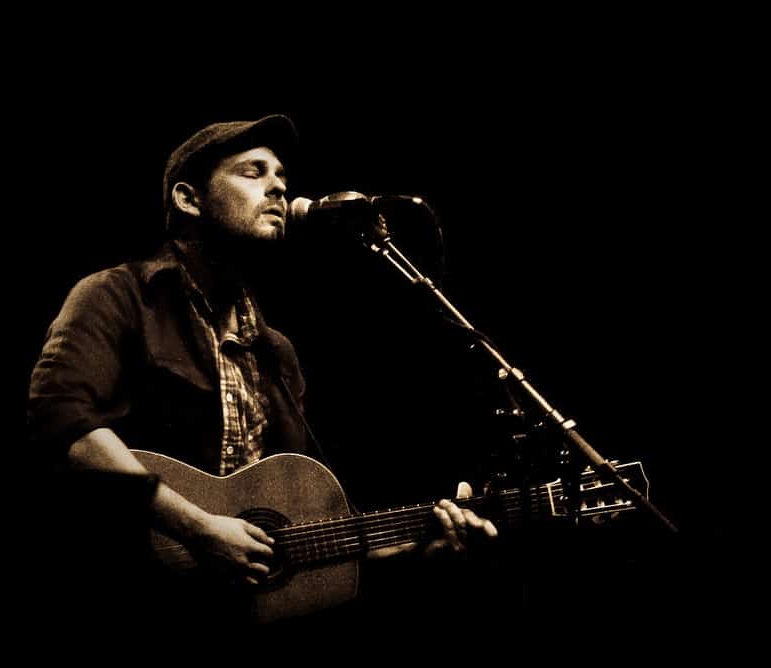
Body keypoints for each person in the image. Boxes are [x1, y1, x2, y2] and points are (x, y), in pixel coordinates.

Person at [26, 114, 498, 641]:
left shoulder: (275, 351)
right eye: (254, 172)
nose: (277, 186)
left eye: (282, 179)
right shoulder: (116, 296)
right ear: (189, 198)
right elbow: (63, 424)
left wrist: (418, 545)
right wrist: (200, 529)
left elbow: (302, 529)